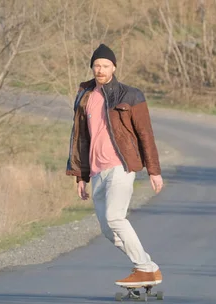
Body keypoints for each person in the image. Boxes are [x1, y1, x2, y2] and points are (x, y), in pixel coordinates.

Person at [65, 43, 164, 286]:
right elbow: (80, 137)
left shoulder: (130, 95)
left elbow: (145, 134)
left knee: (115, 217)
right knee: (109, 231)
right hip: (97, 171)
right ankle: (149, 267)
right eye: (97, 65)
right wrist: (80, 175)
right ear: (92, 67)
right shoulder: (85, 95)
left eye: (105, 65)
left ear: (114, 67)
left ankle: (143, 268)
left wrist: (154, 171)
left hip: (121, 166)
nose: (100, 69)